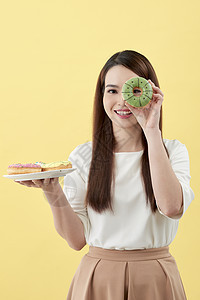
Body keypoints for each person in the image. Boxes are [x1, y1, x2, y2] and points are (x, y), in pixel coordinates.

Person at [15, 50, 195, 300]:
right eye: (112, 91)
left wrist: (151, 129)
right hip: (97, 278)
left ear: (150, 93)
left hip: (156, 278)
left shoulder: (173, 151)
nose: (122, 101)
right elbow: (76, 240)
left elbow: (173, 207)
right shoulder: (83, 156)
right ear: (101, 97)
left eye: (131, 90)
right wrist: (51, 190)